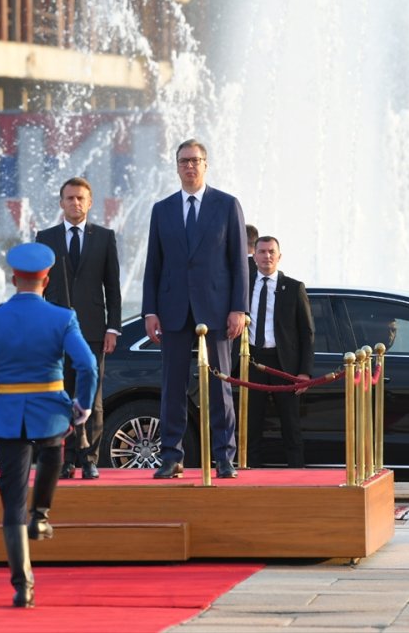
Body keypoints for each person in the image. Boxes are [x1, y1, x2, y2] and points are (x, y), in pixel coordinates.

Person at [0, 242, 97, 608]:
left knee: (11, 503)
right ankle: (40, 514)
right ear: (47, 279)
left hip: (7, 417)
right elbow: (87, 366)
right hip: (52, 413)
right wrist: (82, 405)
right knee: (53, 454)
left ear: (12, 279)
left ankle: (23, 586)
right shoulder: (63, 317)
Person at [142, 139, 248, 479]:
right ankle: (171, 456)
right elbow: (153, 265)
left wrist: (239, 308)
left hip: (216, 308)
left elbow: (238, 263)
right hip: (173, 308)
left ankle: (224, 456)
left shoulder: (227, 205)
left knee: (220, 385)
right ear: (176, 166)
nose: (190, 166)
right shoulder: (162, 209)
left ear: (205, 165)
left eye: (196, 160)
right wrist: (150, 311)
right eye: (184, 161)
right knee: (172, 386)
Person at [35, 176, 122, 480]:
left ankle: (89, 458)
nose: (75, 203)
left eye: (80, 198)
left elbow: (113, 288)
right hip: (56, 331)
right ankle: (66, 458)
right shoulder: (45, 238)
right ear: (61, 203)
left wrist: (114, 328)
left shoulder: (105, 237)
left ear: (89, 202)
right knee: (61, 395)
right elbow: (38, 287)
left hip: (94, 331)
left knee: (92, 398)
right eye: (70, 198)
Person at [245, 236, 315, 468]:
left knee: (290, 423)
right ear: (253, 256)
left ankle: (297, 472)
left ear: (279, 256)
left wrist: (304, 372)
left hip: (284, 364)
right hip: (251, 362)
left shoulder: (294, 288)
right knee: (251, 422)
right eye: (262, 251)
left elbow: (307, 332)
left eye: (271, 252)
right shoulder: (243, 286)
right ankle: (250, 471)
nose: (267, 256)